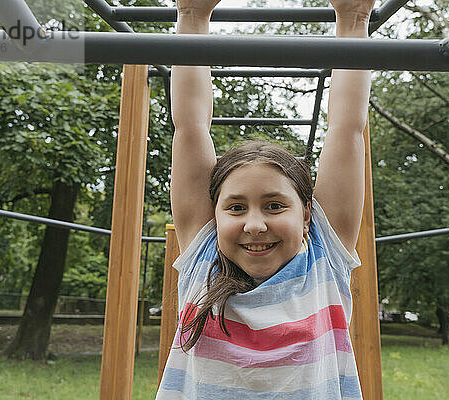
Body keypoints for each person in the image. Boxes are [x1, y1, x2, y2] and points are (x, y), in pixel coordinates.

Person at [158, 0, 374, 397]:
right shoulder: (203, 256)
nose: (254, 224)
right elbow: (189, 128)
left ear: (307, 217)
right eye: (236, 207)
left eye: (275, 205)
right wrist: (191, 15)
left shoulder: (324, 258)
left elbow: (348, 130)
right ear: (214, 215)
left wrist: (354, 17)